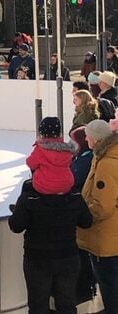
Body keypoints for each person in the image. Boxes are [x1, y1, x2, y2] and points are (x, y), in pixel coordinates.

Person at [8, 157, 92, 314]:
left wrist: (19, 209)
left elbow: (16, 226)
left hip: (38, 259)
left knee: (38, 304)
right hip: (68, 257)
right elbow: (86, 222)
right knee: (67, 303)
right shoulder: (74, 196)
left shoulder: (30, 197)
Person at [77, 119, 118, 311]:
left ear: (96, 139)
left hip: (105, 240)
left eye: (88, 135)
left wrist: (85, 218)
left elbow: (102, 205)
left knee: (109, 286)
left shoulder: (106, 164)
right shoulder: (103, 157)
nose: (85, 138)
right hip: (109, 236)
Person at [69, 126, 98, 306]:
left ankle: (86, 291)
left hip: (83, 213)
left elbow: (72, 179)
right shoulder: (83, 158)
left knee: (83, 257)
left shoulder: (85, 160)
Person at [26, 117, 75, 196]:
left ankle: (19, 207)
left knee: (26, 186)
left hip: (44, 185)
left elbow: (30, 163)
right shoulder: (66, 149)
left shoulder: (40, 149)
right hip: (66, 184)